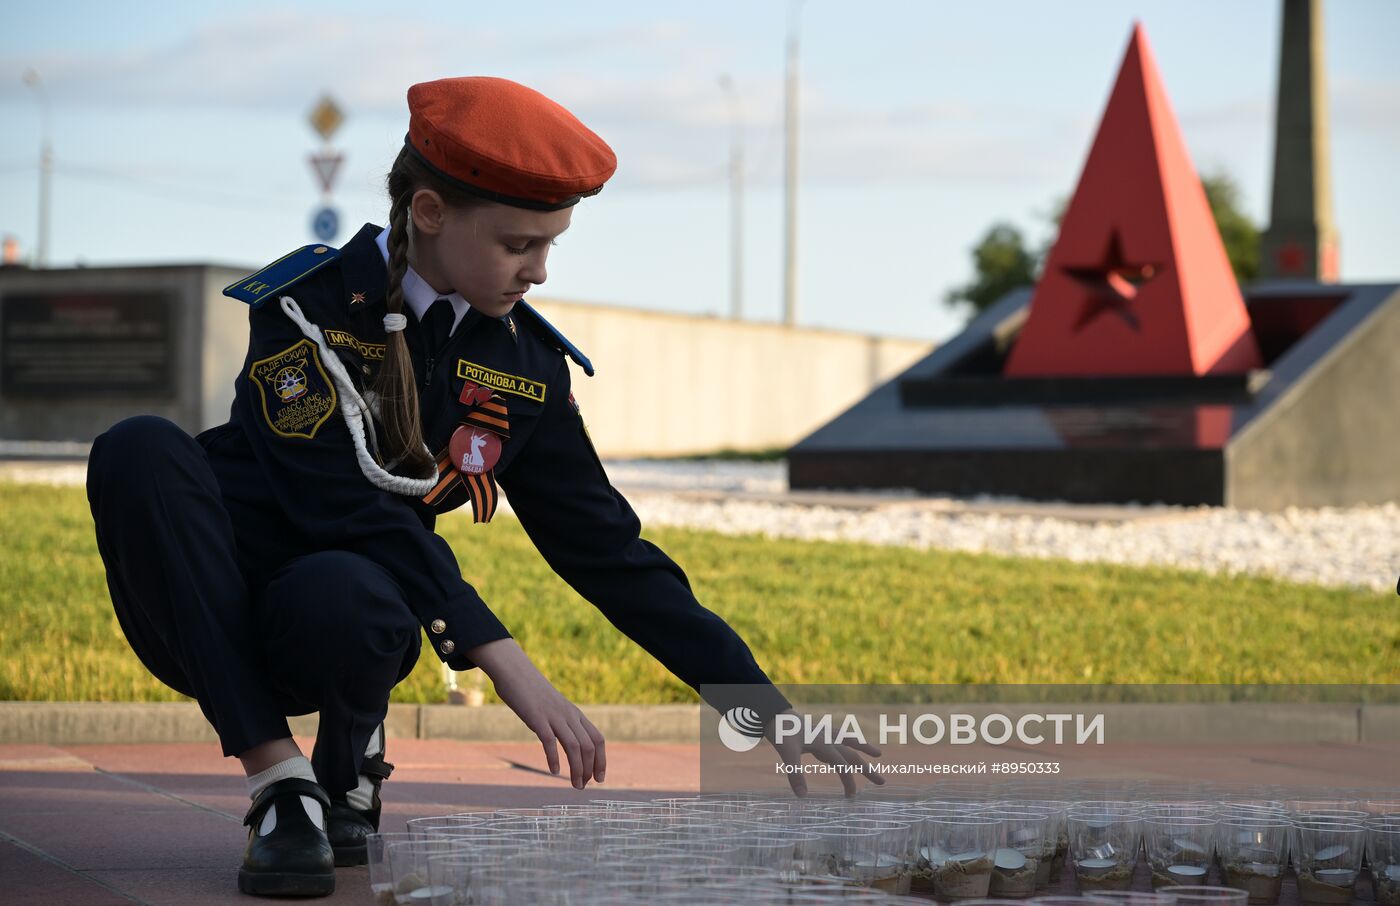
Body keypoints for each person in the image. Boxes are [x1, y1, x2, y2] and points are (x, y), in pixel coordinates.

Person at [86, 76, 878, 899]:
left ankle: (350, 758)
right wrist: (506, 662)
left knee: (352, 588)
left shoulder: (524, 366)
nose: (537, 271)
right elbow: (338, 503)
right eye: (517, 245)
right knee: (138, 448)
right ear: (428, 212)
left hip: (338, 622)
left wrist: (760, 705)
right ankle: (280, 784)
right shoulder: (306, 308)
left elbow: (607, 550)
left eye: (550, 246)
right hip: (206, 607)